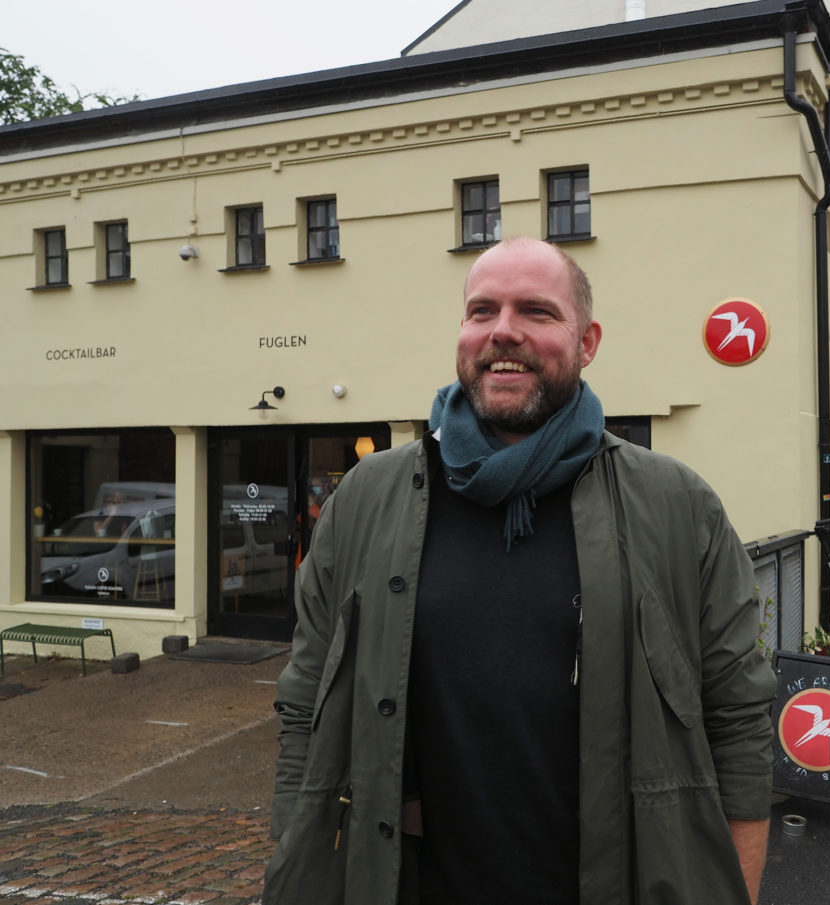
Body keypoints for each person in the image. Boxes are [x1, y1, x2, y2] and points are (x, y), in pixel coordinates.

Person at [264, 237, 777, 905]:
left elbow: (737, 721)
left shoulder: (677, 506)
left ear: (587, 340)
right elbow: (305, 708)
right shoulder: (365, 500)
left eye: (536, 311)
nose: (503, 330)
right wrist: (297, 862)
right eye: (482, 310)